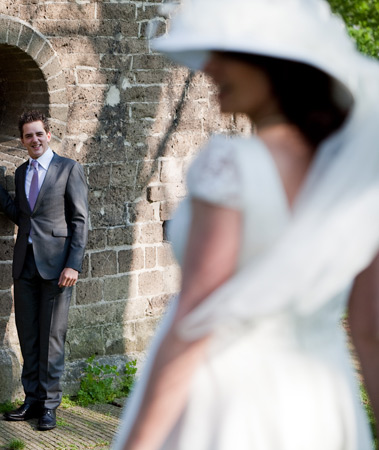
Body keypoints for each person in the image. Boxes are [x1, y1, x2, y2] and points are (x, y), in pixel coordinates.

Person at [113, 0, 379, 448]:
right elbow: (371, 328)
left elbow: (194, 324)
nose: (209, 67)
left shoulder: (232, 163)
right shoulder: (358, 177)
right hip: (323, 408)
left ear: (277, 64)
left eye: (227, 53)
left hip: (232, 404)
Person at [0, 110, 88, 431]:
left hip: (58, 268)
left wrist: (73, 263)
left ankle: (49, 405)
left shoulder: (69, 169)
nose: (34, 140)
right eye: (28, 135)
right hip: (24, 266)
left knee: (52, 338)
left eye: (39, 134)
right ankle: (31, 400)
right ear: (23, 141)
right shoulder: (21, 170)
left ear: (49, 135)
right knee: (28, 336)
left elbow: (80, 221)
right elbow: (22, 217)